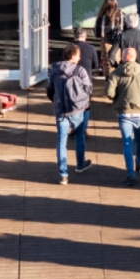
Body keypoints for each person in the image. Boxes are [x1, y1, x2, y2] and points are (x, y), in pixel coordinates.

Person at [107, 47, 140, 187]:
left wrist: (116, 97)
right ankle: (139, 161)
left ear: (124, 57)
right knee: (139, 140)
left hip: (124, 113)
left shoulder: (116, 73)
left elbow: (110, 93)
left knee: (127, 143)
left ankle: (130, 174)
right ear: (135, 57)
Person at [46, 44, 93, 185]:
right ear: (72, 55)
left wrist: (56, 101)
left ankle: (63, 174)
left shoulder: (54, 69)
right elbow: (88, 89)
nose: (80, 57)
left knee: (61, 141)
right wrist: (84, 103)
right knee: (79, 136)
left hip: (60, 110)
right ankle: (80, 164)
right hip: (78, 109)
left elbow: (49, 90)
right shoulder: (80, 70)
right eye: (78, 55)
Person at [94, 0, 122, 74]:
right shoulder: (120, 14)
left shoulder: (101, 16)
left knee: (107, 63)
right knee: (117, 61)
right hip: (118, 41)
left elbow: (96, 32)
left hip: (105, 41)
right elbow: (123, 29)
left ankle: (108, 80)